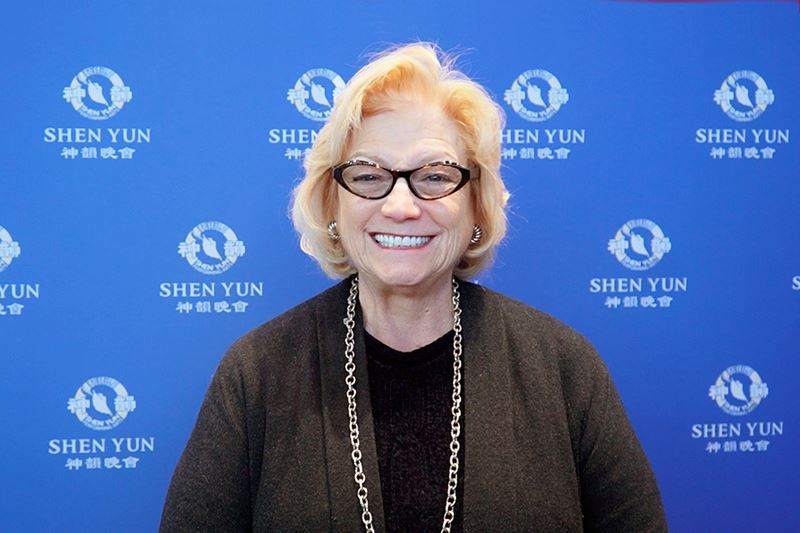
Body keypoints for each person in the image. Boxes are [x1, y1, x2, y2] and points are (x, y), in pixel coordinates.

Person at [161, 43, 667, 532]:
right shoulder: (255, 374)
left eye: (435, 176)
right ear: (333, 203)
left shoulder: (563, 367)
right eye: (368, 176)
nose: (400, 206)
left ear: (477, 205)